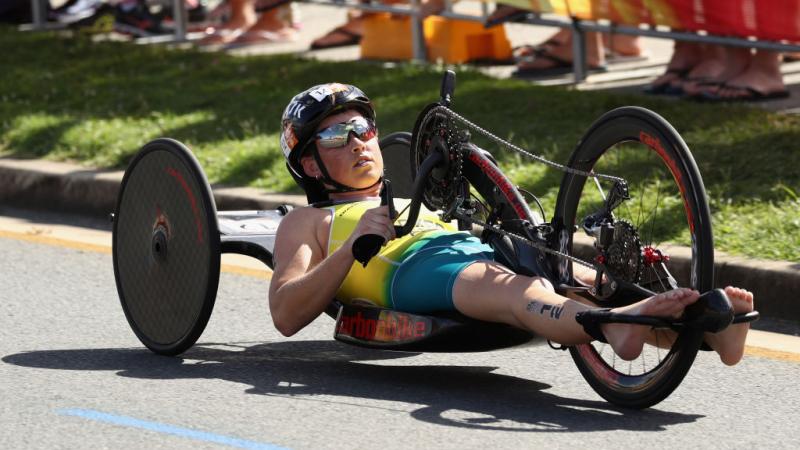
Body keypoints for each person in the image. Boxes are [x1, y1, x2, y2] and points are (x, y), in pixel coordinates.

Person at [269, 83, 754, 365]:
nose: (358, 141)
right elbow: (286, 313)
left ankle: (712, 333)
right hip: (407, 270)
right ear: (310, 165)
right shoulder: (308, 220)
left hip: (469, 248)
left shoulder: (408, 193)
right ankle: (613, 328)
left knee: (576, 278)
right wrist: (353, 246)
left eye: (363, 128)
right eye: (336, 134)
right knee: (516, 290)